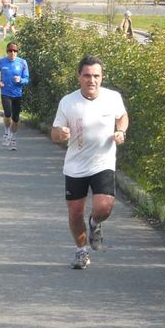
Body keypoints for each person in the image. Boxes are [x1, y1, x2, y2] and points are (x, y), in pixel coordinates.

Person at [51, 55, 128, 270]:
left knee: (104, 207)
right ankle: (81, 251)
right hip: (76, 165)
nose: (91, 80)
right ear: (79, 77)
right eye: (87, 76)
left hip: (102, 161)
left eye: (96, 76)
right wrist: (61, 133)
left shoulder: (112, 98)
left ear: (102, 78)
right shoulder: (68, 102)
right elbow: (54, 132)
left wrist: (120, 131)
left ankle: (95, 223)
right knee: (75, 212)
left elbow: (122, 116)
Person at [0, 42, 29, 151]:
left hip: (17, 94)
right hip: (5, 93)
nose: (13, 53)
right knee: (7, 114)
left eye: (15, 51)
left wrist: (21, 80)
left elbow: (27, 79)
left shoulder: (22, 63)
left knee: (16, 119)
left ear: (17, 52)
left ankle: (13, 138)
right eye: (10, 51)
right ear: (7, 51)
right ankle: (7, 132)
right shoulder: (1, 62)